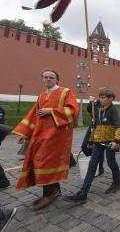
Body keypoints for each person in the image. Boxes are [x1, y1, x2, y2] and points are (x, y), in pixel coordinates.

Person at [12, 69, 79, 210]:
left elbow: (73, 110)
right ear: (42, 79)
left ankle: (50, 193)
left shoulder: (65, 92)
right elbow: (33, 116)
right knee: (42, 162)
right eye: (45, 77)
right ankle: (54, 191)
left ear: (57, 79)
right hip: (40, 134)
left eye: (51, 77)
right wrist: (26, 134)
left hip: (57, 136)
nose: (48, 79)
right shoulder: (41, 96)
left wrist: (52, 111)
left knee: (46, 162)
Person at [63, 89, 120, 203]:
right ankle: (83, 193)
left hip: (110, 141)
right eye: (100, 97)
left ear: (111, 99)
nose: (101, 99)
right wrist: (90, 104)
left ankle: (117, 182)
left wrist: (116, 140)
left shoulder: (113, 110)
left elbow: (118, 126)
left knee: (111, 162)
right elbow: (91, 113)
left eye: (104, 97)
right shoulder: (99, 108)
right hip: (98, 141)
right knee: (92, 165)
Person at [81, 97, 105, 175]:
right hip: (92, 125)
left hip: (101, 127)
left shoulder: (106, 103)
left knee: (99, 147)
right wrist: (90, 102)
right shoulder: (96, 102)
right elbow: (89, 109)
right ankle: (94, 160)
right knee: (85, 146)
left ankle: (99, 167)